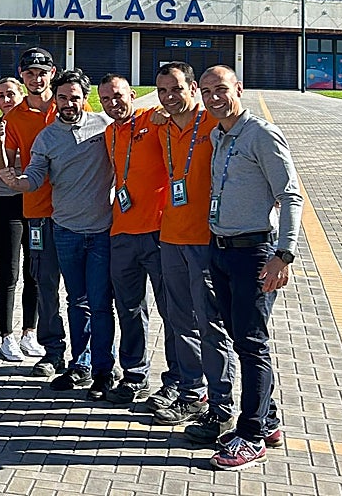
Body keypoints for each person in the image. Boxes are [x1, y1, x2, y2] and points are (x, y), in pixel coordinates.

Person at [199, 65, 301, 471]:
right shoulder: (217, 133)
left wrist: (284, 254)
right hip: (221, 250)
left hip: (255, 253)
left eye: (221, 89)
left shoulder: (261, 133)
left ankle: (252, 434)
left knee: (252, 344)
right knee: (240, 335)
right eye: (206, 91)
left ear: (238, 89)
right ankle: (269, 420)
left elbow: (291, 195)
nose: (213, 97)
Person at [1, 69, 116, 401]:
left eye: (74, 97)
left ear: (86, 98)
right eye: (62, 97)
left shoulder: (104, 128)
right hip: (65, 230)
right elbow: (35, 176)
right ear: (56, 98)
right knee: (75, 301)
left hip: (101, 231)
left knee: (99, 303)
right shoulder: (48, 137)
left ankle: (104, 369)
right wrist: (17, 182)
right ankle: (79, 364)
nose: (68, 103)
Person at [153, 61, 237, 437]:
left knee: (211, 325)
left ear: (193, 90)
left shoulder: (214, 124)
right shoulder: (161, 126)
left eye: (177, 89)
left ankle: (223, 406)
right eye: (163, 91)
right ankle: (192, 393)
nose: (170, 98)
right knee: (179, 320)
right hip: (171, 237)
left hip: (206, 241)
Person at [96, 74, 179, 406]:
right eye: (105, 99)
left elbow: (187, 122)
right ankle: (134, 375)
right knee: (129, 309)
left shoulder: (155, 119)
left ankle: (178, 380)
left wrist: (168, 114)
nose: (112, 103)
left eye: (117, 95)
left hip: (159, 232)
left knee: (172, 311)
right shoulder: (108, 132)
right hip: (122, 233)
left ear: (133, 94)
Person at [0, 48, 68, 375]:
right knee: (41, 278)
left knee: (84, 288)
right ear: (21, 74)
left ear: (52, 72)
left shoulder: (68, 106)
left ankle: (84, 354)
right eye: (29, 73)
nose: (36, 78)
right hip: (36, 209)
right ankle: (47, 345)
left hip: (75, 210)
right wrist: (9, 174)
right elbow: (8, 162)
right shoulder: (14, 118)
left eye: (42, 72)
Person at [0, 77, 37, 362]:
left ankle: (30, 332)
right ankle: (6, 336)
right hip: (5, 204)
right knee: (9, 272)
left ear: (21, 94)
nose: (6, 100)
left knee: (35, 270)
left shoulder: (36, 123)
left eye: (10, 94)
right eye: (0, 96)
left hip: (35, 203)